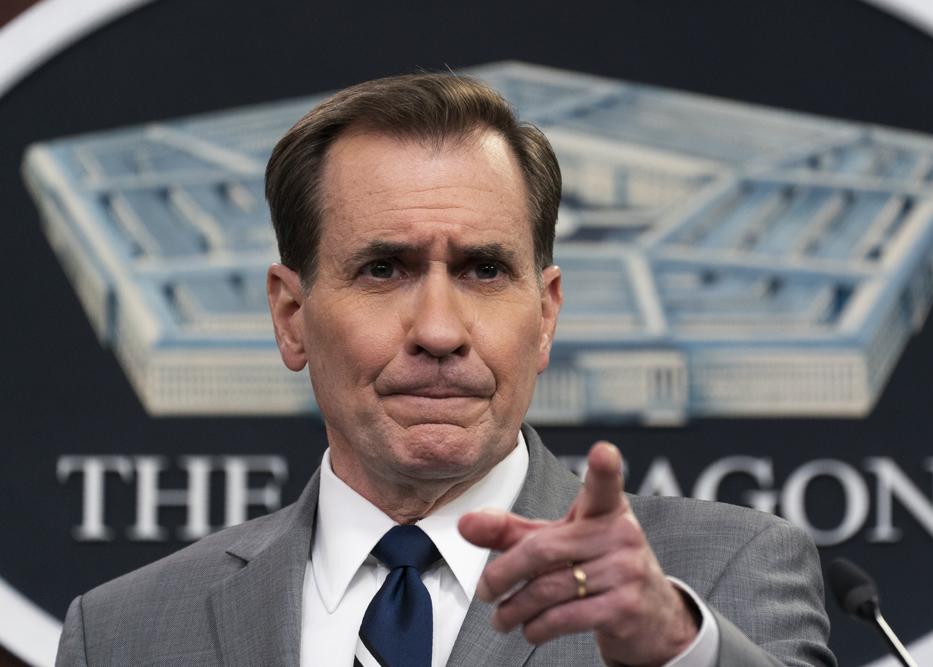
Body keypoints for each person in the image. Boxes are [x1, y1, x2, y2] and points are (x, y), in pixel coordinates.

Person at [55, 73, 835, 667]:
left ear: (546, 315)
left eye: (484, 270)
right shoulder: (122, 633)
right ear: (292, 317)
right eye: (384, 269)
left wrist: (675, 649)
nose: (438, 330)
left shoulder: (716, 575)